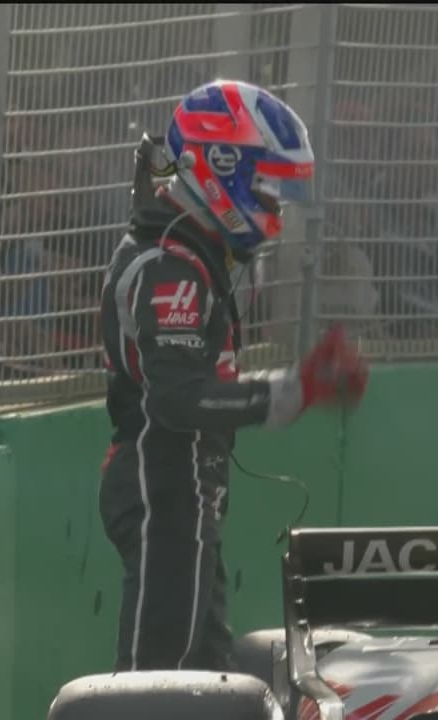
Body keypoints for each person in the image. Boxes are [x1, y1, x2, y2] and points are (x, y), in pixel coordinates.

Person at [97, 80, 370, 673]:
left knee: (204, 676)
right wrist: (292, 392)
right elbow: (176, 400)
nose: (275, 212)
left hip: (181, 494)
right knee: (156, 684)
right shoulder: (169, 265)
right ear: (222, 169)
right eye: (268, 189)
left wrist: (291, 386)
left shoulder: (183, 255)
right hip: (165, 490)